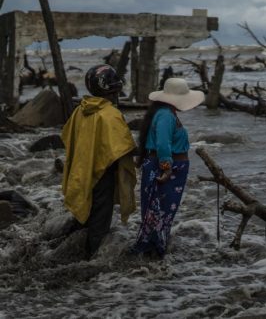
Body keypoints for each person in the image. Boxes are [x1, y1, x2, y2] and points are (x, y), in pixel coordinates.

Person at [61, 64, 137, 258]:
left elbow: (69, 136)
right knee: (100, 222)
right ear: (112, 90)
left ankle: (71, 252)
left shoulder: (81, 109)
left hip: (82, 172)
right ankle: (93, 265)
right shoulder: (110, 115)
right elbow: (122, 148)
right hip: (103, 175)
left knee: (84, 212)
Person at [130, 77, 204, 257]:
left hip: (167, 167)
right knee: (161, 212)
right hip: (166, 168)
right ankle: (154, 253)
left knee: (159, 211)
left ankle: (153, 251)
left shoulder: (164, 113)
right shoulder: (165, 115)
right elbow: (163, 144)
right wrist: (167, 167)